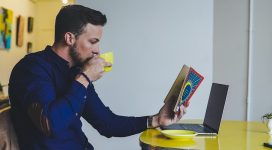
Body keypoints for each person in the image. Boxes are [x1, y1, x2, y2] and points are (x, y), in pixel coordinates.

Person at [8, 4, 185, 150]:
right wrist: (84, 77)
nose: (98, 50)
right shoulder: (32, 68)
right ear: (69, 38)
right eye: (93, 42)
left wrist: (155, 119)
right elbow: (50, 124)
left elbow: (107, 123)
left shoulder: (76, 71)